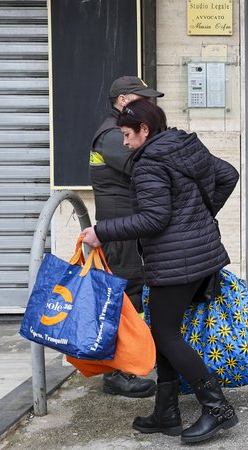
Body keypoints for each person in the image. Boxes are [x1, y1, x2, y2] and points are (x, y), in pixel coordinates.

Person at [81, 99, 241, 443]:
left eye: (127, 134)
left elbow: (153, 219)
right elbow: (229, 174)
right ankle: (166, 412)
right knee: (163, 334)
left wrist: (101, 231)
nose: (124, 142)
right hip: (198, 254)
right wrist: (198, 217)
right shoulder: (182, 145)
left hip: (176, 261)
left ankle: (218, 409)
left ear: (144, 130)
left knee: (166, 334)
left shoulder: (149, 162)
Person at [89, 76, 161, 398]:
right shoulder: (113, 136)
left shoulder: (117, 131)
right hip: (119, 229)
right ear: (122, 101)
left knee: (134, 295)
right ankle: (119, 373)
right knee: (126, 296)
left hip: (128, 225)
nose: (148, 104)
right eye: (140, 99)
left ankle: (134, 361)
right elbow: (144, 165)